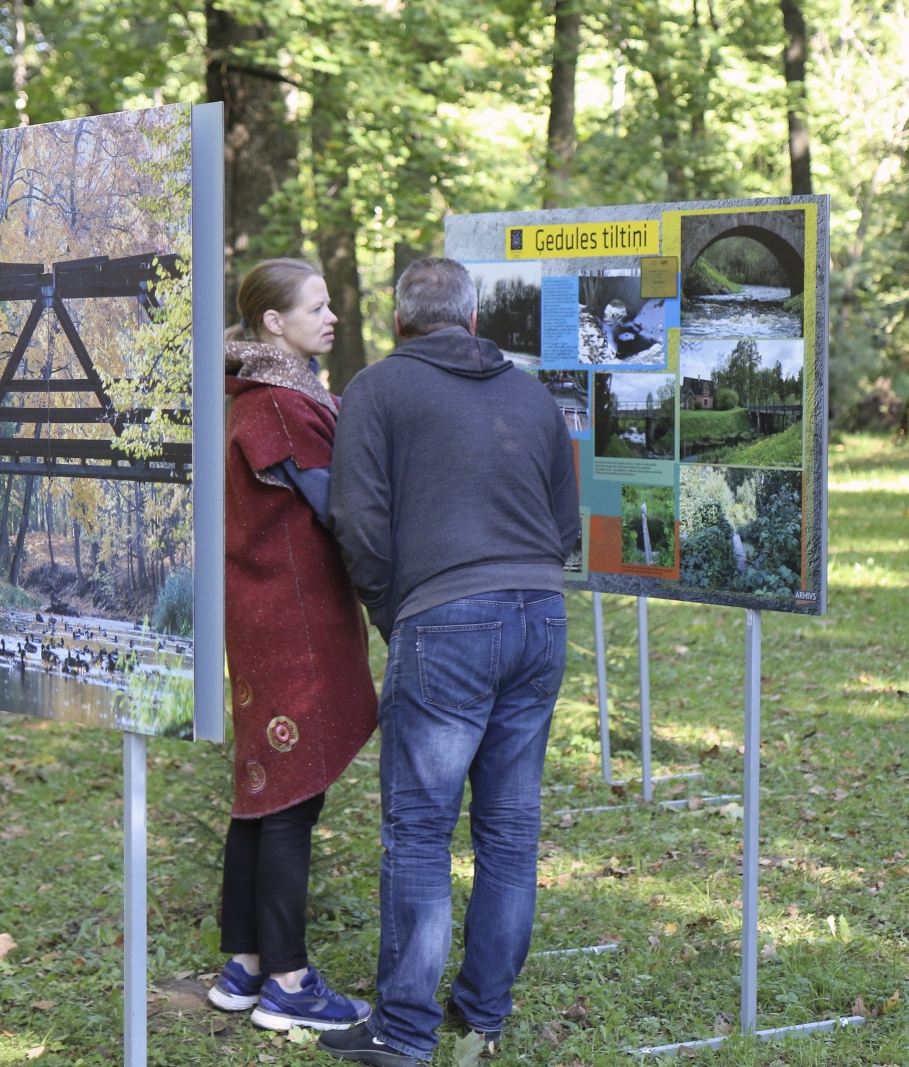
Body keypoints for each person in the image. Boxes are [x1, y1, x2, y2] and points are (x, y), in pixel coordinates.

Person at [320, 259, 580, 1066]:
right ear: (472, 321)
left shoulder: (375, 388)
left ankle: (403, 1034)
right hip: (541, 613)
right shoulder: (533, 396)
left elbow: (355, 518)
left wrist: (391, 610)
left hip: (445, 616)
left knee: (421, 831)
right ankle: (482, 1021)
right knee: (510, 828)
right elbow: (567, 525)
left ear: (402, 322)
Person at [209, 258, 379, 1032]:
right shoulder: (280, 405)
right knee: (290, 798)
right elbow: (338, 510)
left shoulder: (264, 396)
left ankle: (243, 963)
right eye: (316, 306)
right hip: (293, 623)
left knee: (262, 790)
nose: (332, 314)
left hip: (265, 617)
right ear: (273, 323)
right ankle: (288, 979)